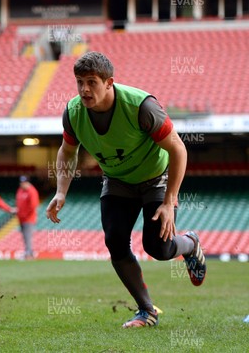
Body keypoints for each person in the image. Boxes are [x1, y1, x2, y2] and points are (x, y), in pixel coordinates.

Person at [46, 51, 206, 328]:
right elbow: (67, 151)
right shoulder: (73, 112)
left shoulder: (142, 106)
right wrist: (61, 191)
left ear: (109, 83)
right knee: (115, 242)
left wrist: (169, 202)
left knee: (158, 247)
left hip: (155, 179)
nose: (84, 89)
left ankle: (190, 243)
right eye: (80, 81)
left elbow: (178, 148)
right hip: (117, 181)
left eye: (92, 82)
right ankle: (147, 311)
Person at [15, 176, 40, 260]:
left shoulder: (32, 191)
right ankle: (30, 253)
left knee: (28, 237)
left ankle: (28, 254)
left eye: (24, 183)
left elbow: (33, 206)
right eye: (21, 183)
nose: (22, 184)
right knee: (25, 237)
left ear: (28, 182)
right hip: (21, 218)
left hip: (29, 218)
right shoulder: (20, 190)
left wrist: (24, 215)